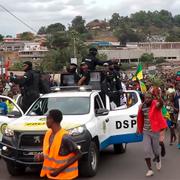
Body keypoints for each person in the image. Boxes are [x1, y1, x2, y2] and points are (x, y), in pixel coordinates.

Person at [35, 109, 82, 180]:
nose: (46, 121)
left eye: (47, 119)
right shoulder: (48, 134)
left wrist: (59, 170)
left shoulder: (65, 137)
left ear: (52, 120)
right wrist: (41, 156)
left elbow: (79, 154)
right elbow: (51, 154)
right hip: (51, 175)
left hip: (66, 177)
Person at [137, 93, 167, 177]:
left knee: (156, 151)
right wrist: (138, 129)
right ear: (144, 98)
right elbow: (140, 118)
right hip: (146, 131)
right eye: (146, 97)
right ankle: (150, 170)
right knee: (146, 150)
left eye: (149, 97)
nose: (147, 99)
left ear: (152, 98)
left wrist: (159, 98)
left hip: (155, 131)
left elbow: (161, 104)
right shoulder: (142, 106)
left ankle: (158, 158)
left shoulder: (155, 104)